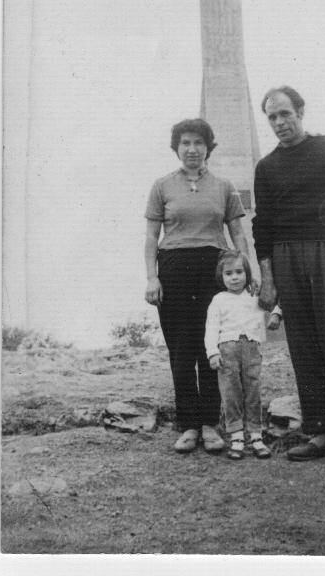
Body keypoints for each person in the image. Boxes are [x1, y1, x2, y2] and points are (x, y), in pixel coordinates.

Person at [252, 86, 325, 463]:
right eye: (272, 117)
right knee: (303, 347)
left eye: (285, 114)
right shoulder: (266, 167)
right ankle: (319, 432)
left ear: (300, 111)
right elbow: (263, 226)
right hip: (286, 258)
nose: (279, 123)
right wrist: (269, 278)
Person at [144, 118, 252, 454]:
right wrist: (152, 276)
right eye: (186, 143)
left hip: (212, 270)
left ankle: (210, 424)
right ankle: (188, 425)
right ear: (176, 147)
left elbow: (237, 233)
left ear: (209, 148)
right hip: (174, 269)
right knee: (181, 349)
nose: (192, 149)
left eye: (199, 143)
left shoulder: (223, 186)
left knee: (213, 349)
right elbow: (151, 237)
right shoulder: (162, 186)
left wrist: (246, 270)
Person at [205, 249, 275, 461]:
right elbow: (211, 327)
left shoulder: (254, 296)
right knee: (231, 393)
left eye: (239, 272)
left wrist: (276, 315)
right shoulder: (219, 299)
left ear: (247, 273)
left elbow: (272, 302)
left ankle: (256, 435)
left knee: (253, 390)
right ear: (221, 276)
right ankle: (236, 436)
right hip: (227, 350)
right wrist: (212, 353)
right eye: (228, 274)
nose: (234, 277)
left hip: (251, 348)